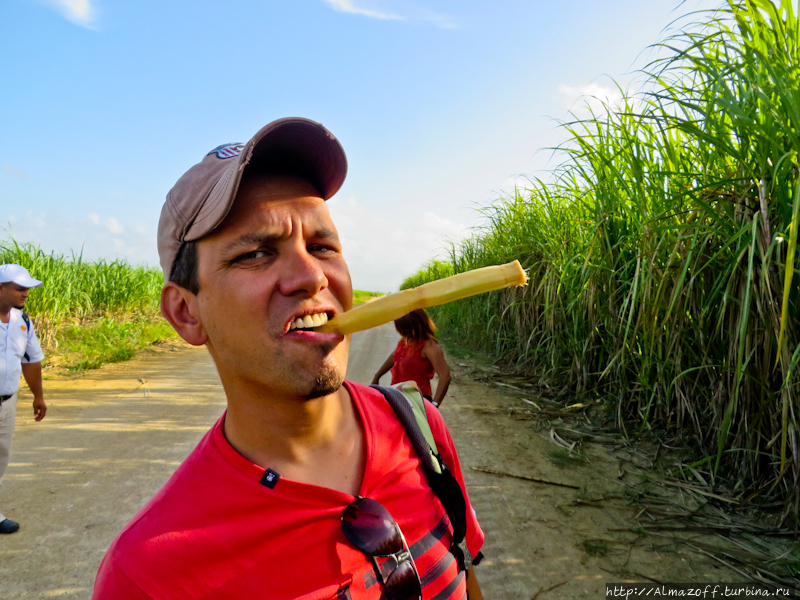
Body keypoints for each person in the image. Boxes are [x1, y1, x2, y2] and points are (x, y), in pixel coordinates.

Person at [93, 117, 484, 600]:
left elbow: (464, 573)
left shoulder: (418, 428)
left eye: (322, 246)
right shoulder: (149, 576)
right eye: (256, 253)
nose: (310, 275)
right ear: (186, 312)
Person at [0, 264, 47, 534]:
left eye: (27, 288)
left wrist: (38, 396)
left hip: (8, 402)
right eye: (20, 288)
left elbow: (31, 361)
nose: (26, 293)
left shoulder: (22, 321)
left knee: (0, 458)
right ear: (0, 287)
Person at [372, 309, 452, 408]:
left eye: (403, 328)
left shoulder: (429, 346)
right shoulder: (407, 340)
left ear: (413, 326)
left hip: (417, 400)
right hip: (398, 395)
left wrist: (434, 405)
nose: (401, 332)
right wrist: (377, 376)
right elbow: (395, 356)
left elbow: (446, 376)